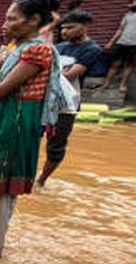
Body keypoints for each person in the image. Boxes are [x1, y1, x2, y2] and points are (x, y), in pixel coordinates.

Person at [0, 0, 64, 258]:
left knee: (1, 188)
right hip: (0, 120)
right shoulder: (16, 49)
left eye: (12, 19)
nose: (4, 24)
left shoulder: (38, 50)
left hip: (16, 122)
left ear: (33, 20)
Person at [37, 10, 101, 188]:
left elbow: (70, 75)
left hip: (66, 106)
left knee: (56, 146)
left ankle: (41, 180)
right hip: (44, 101)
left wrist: (55, 73)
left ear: (85, 26)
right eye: (63, 28)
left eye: (70, 27)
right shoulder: (59, 47)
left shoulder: (91, 50)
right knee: (33, 137)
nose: (65, 32)